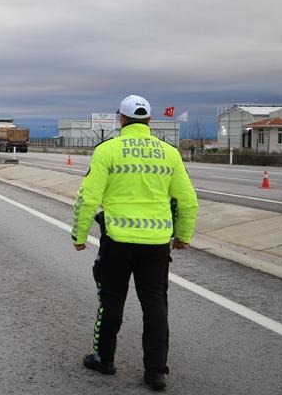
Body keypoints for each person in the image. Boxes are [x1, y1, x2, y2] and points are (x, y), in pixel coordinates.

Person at [71, 95, 198, 391]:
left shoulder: (107, 151)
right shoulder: (169, 153)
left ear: (121, 120)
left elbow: (87, 198)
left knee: (111, 300)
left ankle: (104, 359)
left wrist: (78, 236)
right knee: (155, 304)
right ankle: (156, 372)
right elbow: (188, 201)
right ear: (150, 121)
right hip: (155, 245)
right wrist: (183, 235)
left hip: (117, 242)